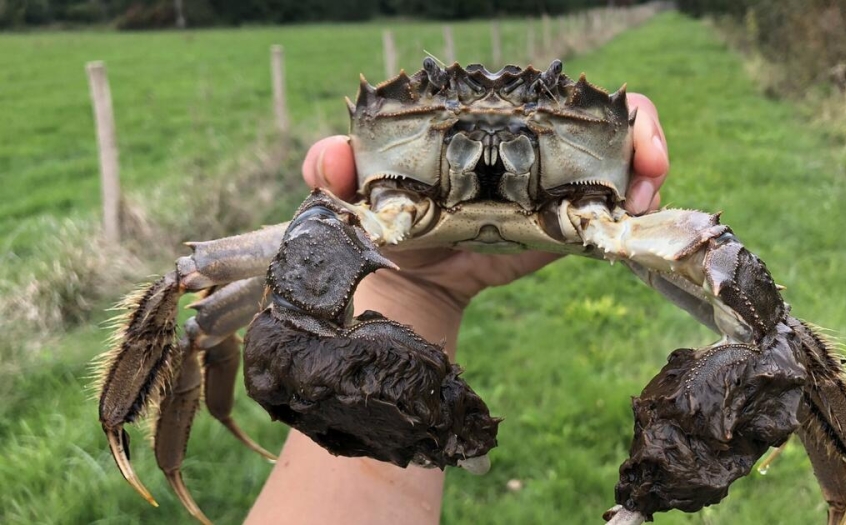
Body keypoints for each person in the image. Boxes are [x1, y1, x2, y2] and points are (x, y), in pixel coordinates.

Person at [245, 93, 669, 525]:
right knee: (275, 317)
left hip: (585, 204)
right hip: (397, 238)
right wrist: (408, 287)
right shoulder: (345, 225)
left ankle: (665, 473)